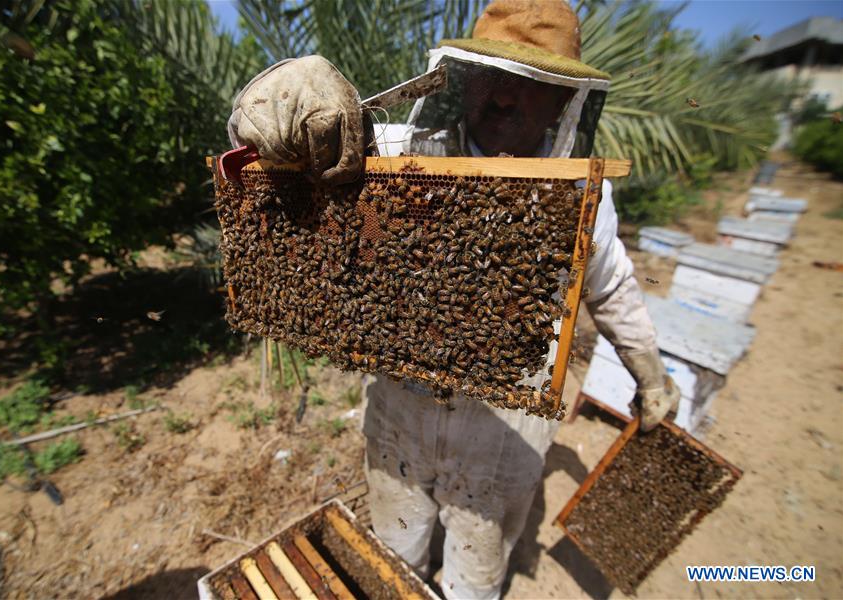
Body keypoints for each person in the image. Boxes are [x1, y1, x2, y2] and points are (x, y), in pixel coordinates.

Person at [227, 1, 680, 597]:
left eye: (531, 83)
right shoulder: (392, 152)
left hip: (504, 429)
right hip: (401, 408)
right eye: (492, 75)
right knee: (393, 558)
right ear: (465, 78)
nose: (504, 97)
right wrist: (281, 99)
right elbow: (269, 153)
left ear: (563, 100)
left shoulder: (580, 191)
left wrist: (650, 375)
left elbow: (613, 284)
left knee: (476, 576)